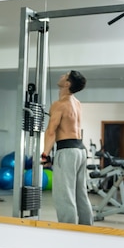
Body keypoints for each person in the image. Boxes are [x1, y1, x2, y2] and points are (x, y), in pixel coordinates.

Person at [41, 70, 94, 226]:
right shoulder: (77, 103)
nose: (61, 76)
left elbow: (51, 132)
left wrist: (45, 154)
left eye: (65, 76)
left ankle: (67, 230)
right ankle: (87, 227)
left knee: (64, 195)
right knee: (80, 193)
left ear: (67, 84)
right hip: (80, 150)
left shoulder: (59, 105)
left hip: (67, 151)